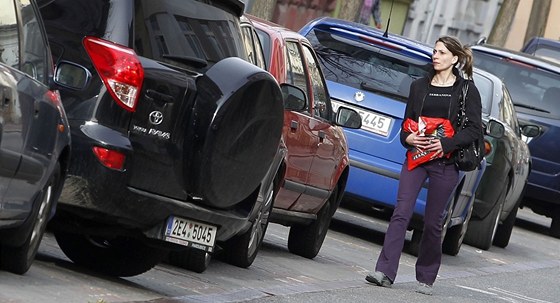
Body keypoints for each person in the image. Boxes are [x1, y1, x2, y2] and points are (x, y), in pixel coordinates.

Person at [364, 36, 482, 295]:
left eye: (441, 52)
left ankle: (426, 277)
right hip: (416, 159)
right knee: (401, 212)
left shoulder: (466, 90)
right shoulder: (419, 86)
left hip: (445, 164)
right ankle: (384, 271)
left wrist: (446, 144)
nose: (435, 56)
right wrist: (409, 137)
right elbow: (407, 123)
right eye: (434, 51)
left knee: (433, 222)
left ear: (454, 58)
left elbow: (474, 128)